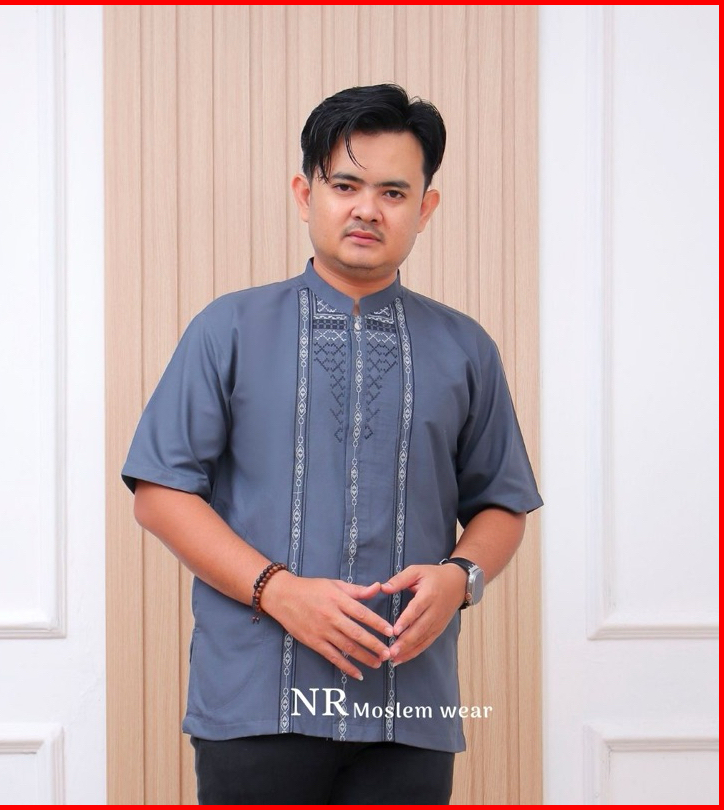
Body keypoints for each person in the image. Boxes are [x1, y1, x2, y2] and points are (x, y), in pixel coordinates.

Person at [122, 83, 543, 805]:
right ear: (305, 194)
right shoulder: (228, 328)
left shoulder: (466, 347)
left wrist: (460, 578)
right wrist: (278, 590)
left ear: (425, 208)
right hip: (255, 699)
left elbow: (502, 503)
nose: (367, 209)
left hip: (409, 708)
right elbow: (160, 493)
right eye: (345, 185)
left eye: (393, 192)